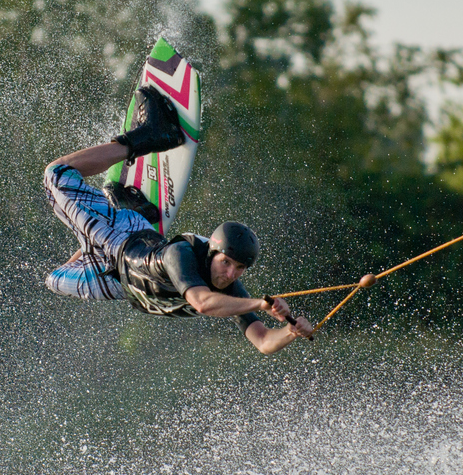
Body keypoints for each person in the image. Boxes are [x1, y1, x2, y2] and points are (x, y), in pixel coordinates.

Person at [44, 86, 313, 354]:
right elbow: (203, 303)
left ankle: (130, 209)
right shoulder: (179, 253)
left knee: (54, 281)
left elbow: (264, 341)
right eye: (226, 263)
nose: (230, 274)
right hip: (121, 240)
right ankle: (147, 137)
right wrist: (260, 304)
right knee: (56, 174)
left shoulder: (229, 289)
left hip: (120, 281)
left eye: (239, 268)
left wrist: (290, 331)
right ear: (212, 252)